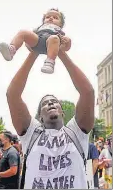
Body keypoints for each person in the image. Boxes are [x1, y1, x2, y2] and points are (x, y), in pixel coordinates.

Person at [6, 49, 95, 189]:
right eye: (44, 103)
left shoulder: (76, 132)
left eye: (54, 101)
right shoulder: (31, 133)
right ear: (40, 117)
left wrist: (60, 52)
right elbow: (12, 95)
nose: (50, 103)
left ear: (62, 112)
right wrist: (34, 51)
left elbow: (88, 92)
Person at [0, 8, 71, 74]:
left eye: (55, 18)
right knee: (23, 32)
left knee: (54, 38)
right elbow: (30, 38)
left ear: (61, 24)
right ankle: (12, 49)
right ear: (43, 21)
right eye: (48, 17)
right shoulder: (39, 28)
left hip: (49, 44)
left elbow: (65, 47)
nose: (51, 18)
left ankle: (49, 62)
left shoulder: (58, 30)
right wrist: (28, 43)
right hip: (38, 40)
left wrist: (67, 42)